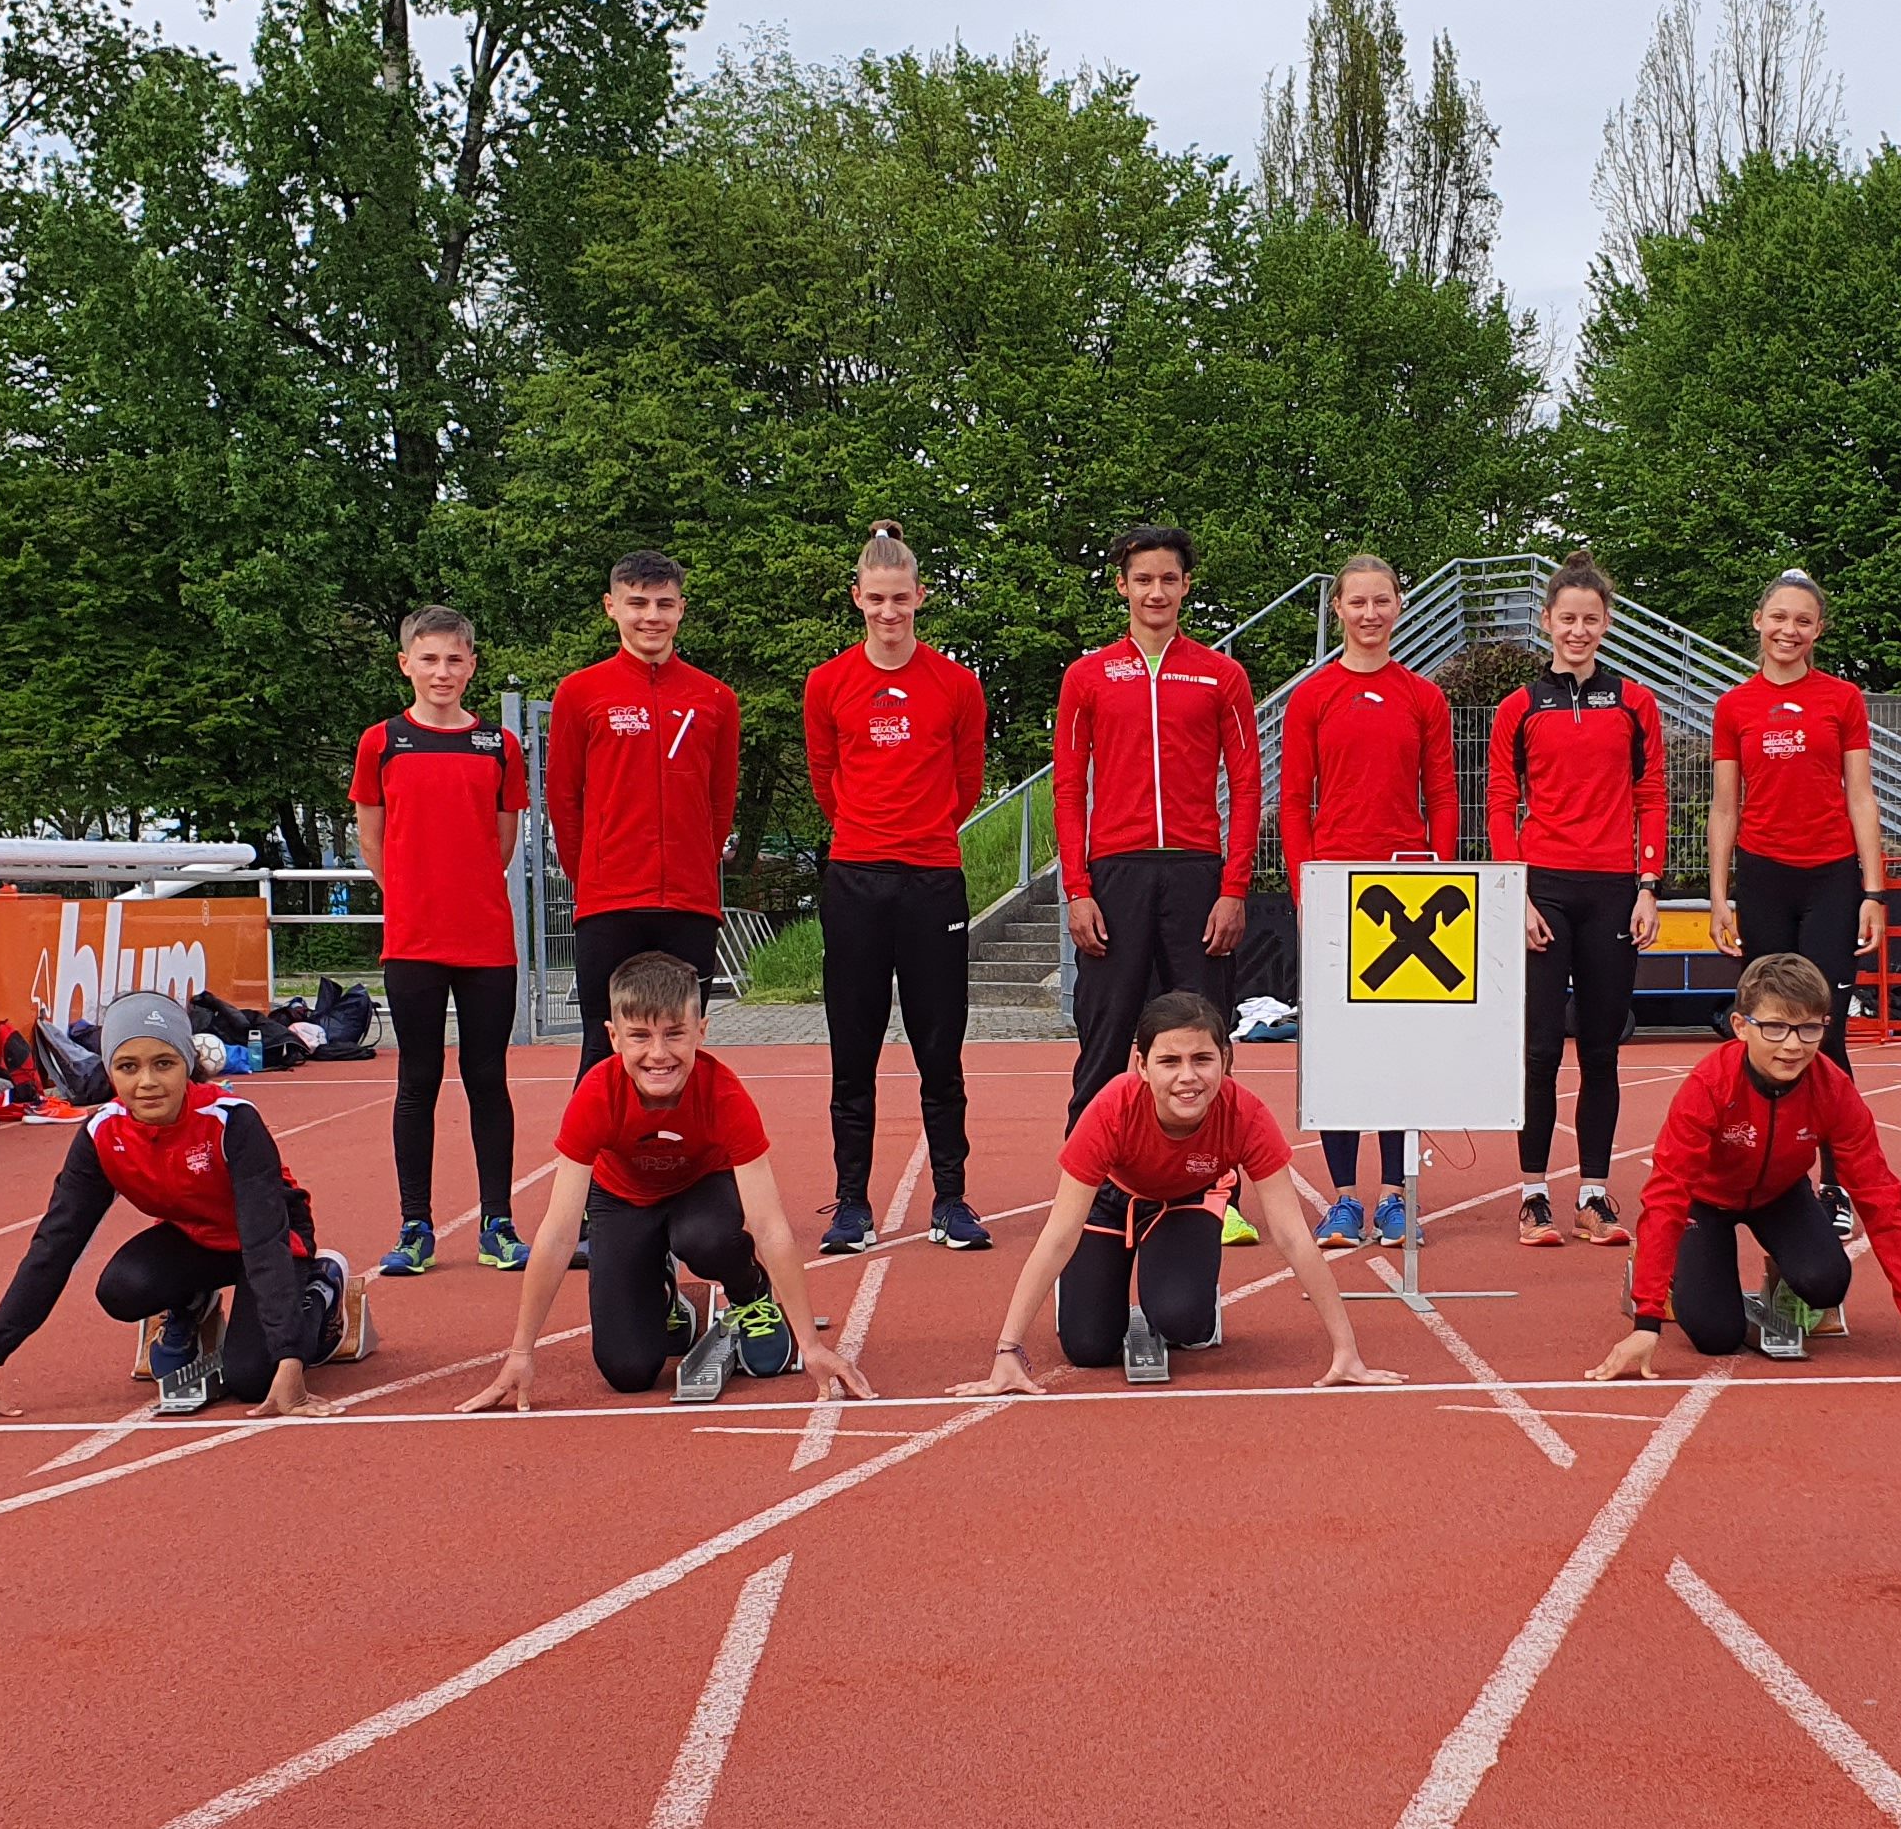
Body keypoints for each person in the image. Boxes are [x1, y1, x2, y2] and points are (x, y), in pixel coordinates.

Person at [0, 990, 368, 1423]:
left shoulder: (232, 1120)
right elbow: (56, 1243)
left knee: (254, 1378)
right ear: (109, 1072)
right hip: (195, 1238)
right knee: (121, 1288)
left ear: (188, 1066)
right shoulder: (102, 1133)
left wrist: (289, 1356)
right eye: (127, 1067)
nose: (147, 1082)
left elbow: (263, 1236)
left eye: (164, 1064)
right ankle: (192, 1305)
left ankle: (321, 1289)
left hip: (274, 1238)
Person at [460, 955, 874, 1407]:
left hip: (702, 1189)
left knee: (706, 1238)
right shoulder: (596, 1094)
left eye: (675, 1033)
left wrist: (811, 1347)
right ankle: (665, 1296)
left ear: (702, 1031)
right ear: (614, 1038)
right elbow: (558, 1234)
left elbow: (770, 1226)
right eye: (639, 1036)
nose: (658, 1054)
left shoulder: (724, 1094)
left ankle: (750, 1293)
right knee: (628, 1371)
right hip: (622, 1200)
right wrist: (521, 1353)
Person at [958, 990, 1401, 1390]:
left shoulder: (1245, 1114)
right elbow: (1058, 1234)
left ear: (1226, 1060)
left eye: (1201, 1059)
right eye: (1170, 1062)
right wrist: (1008, 1350)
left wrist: (1347, 1350)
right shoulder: (1112, 1107)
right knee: (1089, 1348)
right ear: (1143, 1067)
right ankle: (1082, 1288)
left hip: (1187, 1201)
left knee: (1184, 1324)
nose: (1187, 1077)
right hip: (1108, 1204)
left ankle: (1189, 1287)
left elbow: (1292, 1236)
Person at [1588, 955, 1901, 1379]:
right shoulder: (1709, 1086)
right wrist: (1646, 1322)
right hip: (1705, 1203)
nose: (1793, 1045)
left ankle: (1780, 1273)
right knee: (1716, 1336)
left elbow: (1880, 1198)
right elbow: (1667, 1194)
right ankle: (1654, 1276)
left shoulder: (1832, 1089)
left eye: (1809, 1028)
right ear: (1741, 1027)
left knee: (1827, 1284)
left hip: (1780, 1193)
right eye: (1775, 1027)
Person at [803, 521, 993, 1257]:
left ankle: (951, 1197)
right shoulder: (828, 683)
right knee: (852, 1052)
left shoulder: (955, 683)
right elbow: (826, 777)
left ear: (920, 597)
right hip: (855, 880)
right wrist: (866, 832)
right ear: (858, 598)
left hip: (932, 883)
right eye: (876, 599)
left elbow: (967, 779)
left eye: (901, 600)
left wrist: (924, 832)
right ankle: (851, 1203)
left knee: (939, 1050)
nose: (889, 612)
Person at [1275, 551, 1457, 1248]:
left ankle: (1395, 1196)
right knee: (1339, 1053)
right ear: (1339, 611)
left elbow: (1441, 794)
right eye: (1358, 603)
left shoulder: (1423, 697)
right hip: (1334, 896)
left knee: (1401, 1051)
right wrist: (1305, 887)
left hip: (1409, 897)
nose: (1371, 614)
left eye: (1382, 601)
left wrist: (1438, 874)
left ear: (1399, 608)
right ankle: (1344, 1199)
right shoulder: (1314, 697)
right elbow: (1293, 803)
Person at [1055, 521, 1261, 1127]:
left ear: (1186, 586)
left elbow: (1246, 785)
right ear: (1122, 586)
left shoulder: (1223, 676)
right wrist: (1078, 889)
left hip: (1197, 876)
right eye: (1143, 580)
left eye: (1168, 579)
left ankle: (1219, 1188)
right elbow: (1069, 789)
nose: (1156, 592)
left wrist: (1234, 888)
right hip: (1115, 876)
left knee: (1205, 1040)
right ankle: (1089, 1188)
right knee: (1104, 1037)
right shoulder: (1086, 677)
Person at [1490, 550, 1664, 1249]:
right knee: (1536, 1050)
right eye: (1568, 619)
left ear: (1607, 623)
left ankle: (1594, 1191)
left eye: (1591, 620)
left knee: (1600, 1049)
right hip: (1545, 891)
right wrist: (1517, 891)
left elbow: (1651, 797)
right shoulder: (1519, 707)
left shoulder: (1634, 702)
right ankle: (1533, 1193)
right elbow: (1501, 804)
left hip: (1614, 891)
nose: (1579, 630)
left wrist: (1648, 886)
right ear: (1547, 623)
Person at [351, 606, 529, 1277]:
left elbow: (503, 840)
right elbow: (372, 836)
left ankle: (498, 1225)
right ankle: (415, 1226)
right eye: (429, 659)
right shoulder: (383, 742)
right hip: (413, 939)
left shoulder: (498, 747)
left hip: (486, 940)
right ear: (406, 664)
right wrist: (411, 892)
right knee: (416, 1082)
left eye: (455, 659)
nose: (442, 672)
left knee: (488, 1080)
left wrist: (466, 888)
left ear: (472, 665)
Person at [1706, 568, 1886, 1165]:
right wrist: (1717, 897)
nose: (1789, 629)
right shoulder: (1734, 706)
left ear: (1818, 631)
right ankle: (1765, 1163)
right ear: (1759, 622)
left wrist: (1873, 892)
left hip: (1831, 879)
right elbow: (1725, 806)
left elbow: (1861, 796)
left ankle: (1838, 1179)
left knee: (1823, 1031)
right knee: (1764, 1030)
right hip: (1763, 880)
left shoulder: (1842, 699)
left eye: (1803, 621)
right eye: (1779, 617)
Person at [548, 549, 742, 1077]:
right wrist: (590, 876)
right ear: (611, 607)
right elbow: (564, 799)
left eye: (663, 603)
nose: (650, 616)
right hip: (609, 901)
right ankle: (594, 1162)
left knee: (681, 1050)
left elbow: (720, 800)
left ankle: (683, 1160)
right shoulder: (579, 692)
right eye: (637, 603)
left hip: (689, 902)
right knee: (602, 1048)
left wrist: (697, 862)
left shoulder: (716, 698)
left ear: (681, 610)